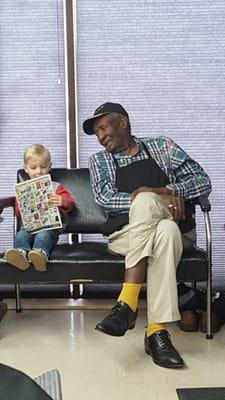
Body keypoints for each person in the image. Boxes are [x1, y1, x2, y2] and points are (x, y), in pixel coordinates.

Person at [83, 102, 212, 368]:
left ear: (122, 123)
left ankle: (127, 304)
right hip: (125, 235)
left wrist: (169, 189)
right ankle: (156, 331)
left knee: (162, 222)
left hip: (179, 230)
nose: (100, 136)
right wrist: (154, 197)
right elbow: (105, 198)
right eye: (96, 133)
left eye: (103, 127)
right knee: (155, 218)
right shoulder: (100, 160)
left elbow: (202, 180)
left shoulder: (162, 147)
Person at [4, 144, 75, 272]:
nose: (39, 171)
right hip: (30, 227)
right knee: (21, 235)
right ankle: (20, 255)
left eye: (43, 167)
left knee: (43, 235)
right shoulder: (24, 190)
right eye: (33, 167)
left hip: (50, 227)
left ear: (49, 166)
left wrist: (62, 201)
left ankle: (40, 255)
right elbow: (17, 212)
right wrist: (22, 206)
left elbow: (70, 203)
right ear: (26, 168)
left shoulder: (56, 187)